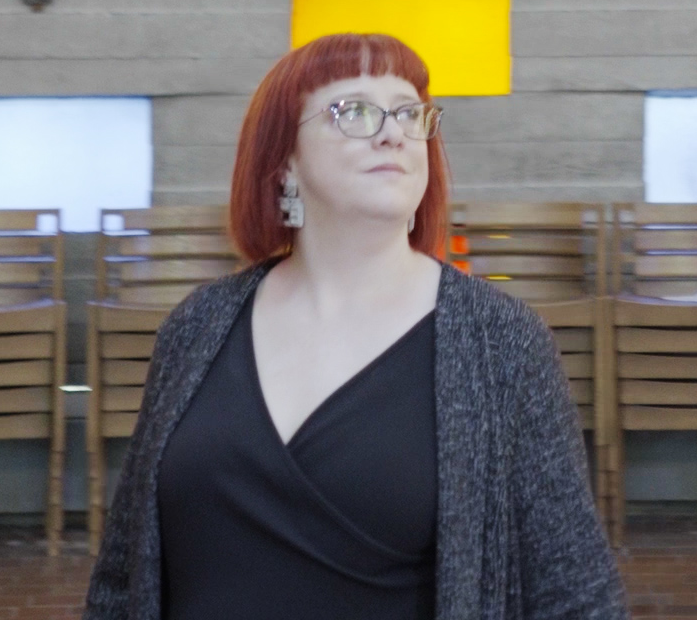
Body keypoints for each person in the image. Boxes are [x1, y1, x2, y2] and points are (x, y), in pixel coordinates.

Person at [83, 32, 625, 620]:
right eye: (355, 112)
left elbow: (575, 593)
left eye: (410, 114)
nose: (394, 131)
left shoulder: (501, 341)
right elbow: (123, 572)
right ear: (284, 160)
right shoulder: (197, 326)